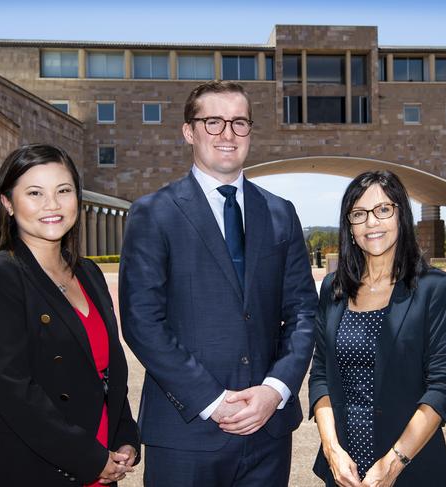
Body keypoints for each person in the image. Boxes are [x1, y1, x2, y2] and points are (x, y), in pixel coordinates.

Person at [119, 81, 318, 486]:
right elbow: (142, 321)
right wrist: (212, 401)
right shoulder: (153, 214)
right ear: (189, 132)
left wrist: (275, 390)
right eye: (213, 122)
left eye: (239, 123)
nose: (227, 134)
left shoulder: (281, 213)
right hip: (186, 433)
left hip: (267, 433)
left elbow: (302, 312)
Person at [0, 144, 140, 487]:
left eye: (63, 190)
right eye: (34, 193)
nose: (52, 205)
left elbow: (106, 369)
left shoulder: (88, 273)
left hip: (101, 459)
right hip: (36, 466)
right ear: (7, 203)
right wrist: (89, 458)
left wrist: (124, 434)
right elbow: (11, 391)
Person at [308, 171, 446, 487]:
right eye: (359, 214)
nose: (371, 223)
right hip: (343, 471)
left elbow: (443, 386)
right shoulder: (333, 289)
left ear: (401, 216)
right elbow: (320, 375)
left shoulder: (436, 288)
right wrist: (331, 449)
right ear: (349, 226)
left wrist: (393, 464)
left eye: (383, 210)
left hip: (410, 467)